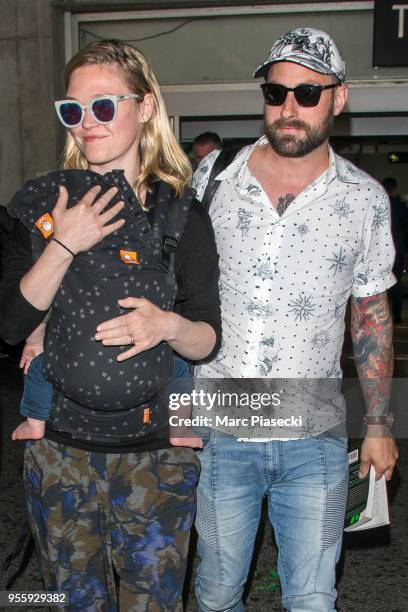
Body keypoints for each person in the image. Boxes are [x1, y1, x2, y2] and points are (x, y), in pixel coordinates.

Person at [0, 39, 220, 610]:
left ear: (145, 107)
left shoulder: (181, 214)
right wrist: (64, 244)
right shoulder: (44, 204)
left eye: (104, 106)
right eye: (72, 110)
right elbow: (10, 322)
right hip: (61, 454)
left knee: (154, 604)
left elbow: (207, 337)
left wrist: (165, 326)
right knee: (68, 602)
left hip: (154, 457)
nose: (86, 123)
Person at [192, 27, 398, 612]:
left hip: (315, 438)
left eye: (308, 94)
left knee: (312, 599)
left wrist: (379, 423)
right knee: (215, 594)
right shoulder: (213, 179)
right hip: (221, 428)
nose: (289, 108)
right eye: (276, 92)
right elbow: (173, 286)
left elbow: (372, 315)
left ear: (339, 98)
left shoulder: (363, 200)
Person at [382, 177, 407, 323]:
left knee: (380, 282)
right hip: (398, 248)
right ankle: (397, 315)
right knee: (396, 282)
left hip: (381, 250)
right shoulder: (400, 206)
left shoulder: (378, 203)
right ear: (394, 188)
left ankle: (382, 314)